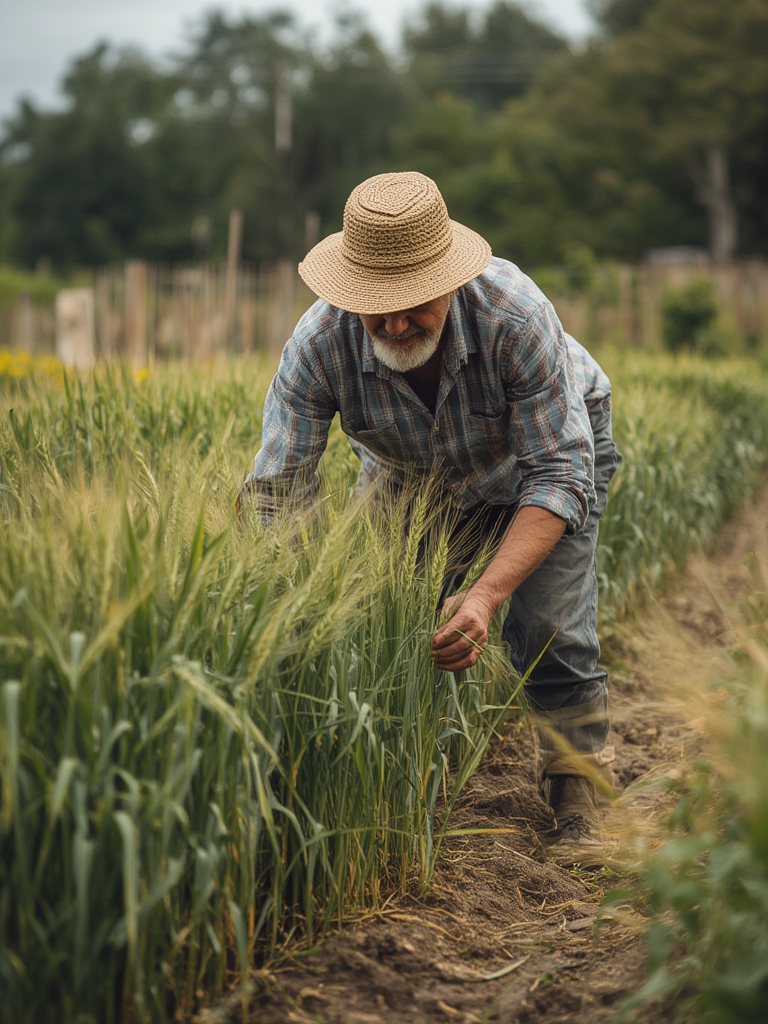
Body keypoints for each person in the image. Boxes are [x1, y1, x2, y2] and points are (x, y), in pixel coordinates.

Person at [240, 171, 620, 865]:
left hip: (540, 458)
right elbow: (278, 490)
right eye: (374, 306)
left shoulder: (514, 315)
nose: (394, 322)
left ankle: (578, 790)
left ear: (449, 279)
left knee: (548, 627)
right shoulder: (317, 346)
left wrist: (483, 596)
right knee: (389, 620)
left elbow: (559, 472)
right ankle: (405, 777)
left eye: (413, 300)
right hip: (410, 474)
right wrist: (306, 598)